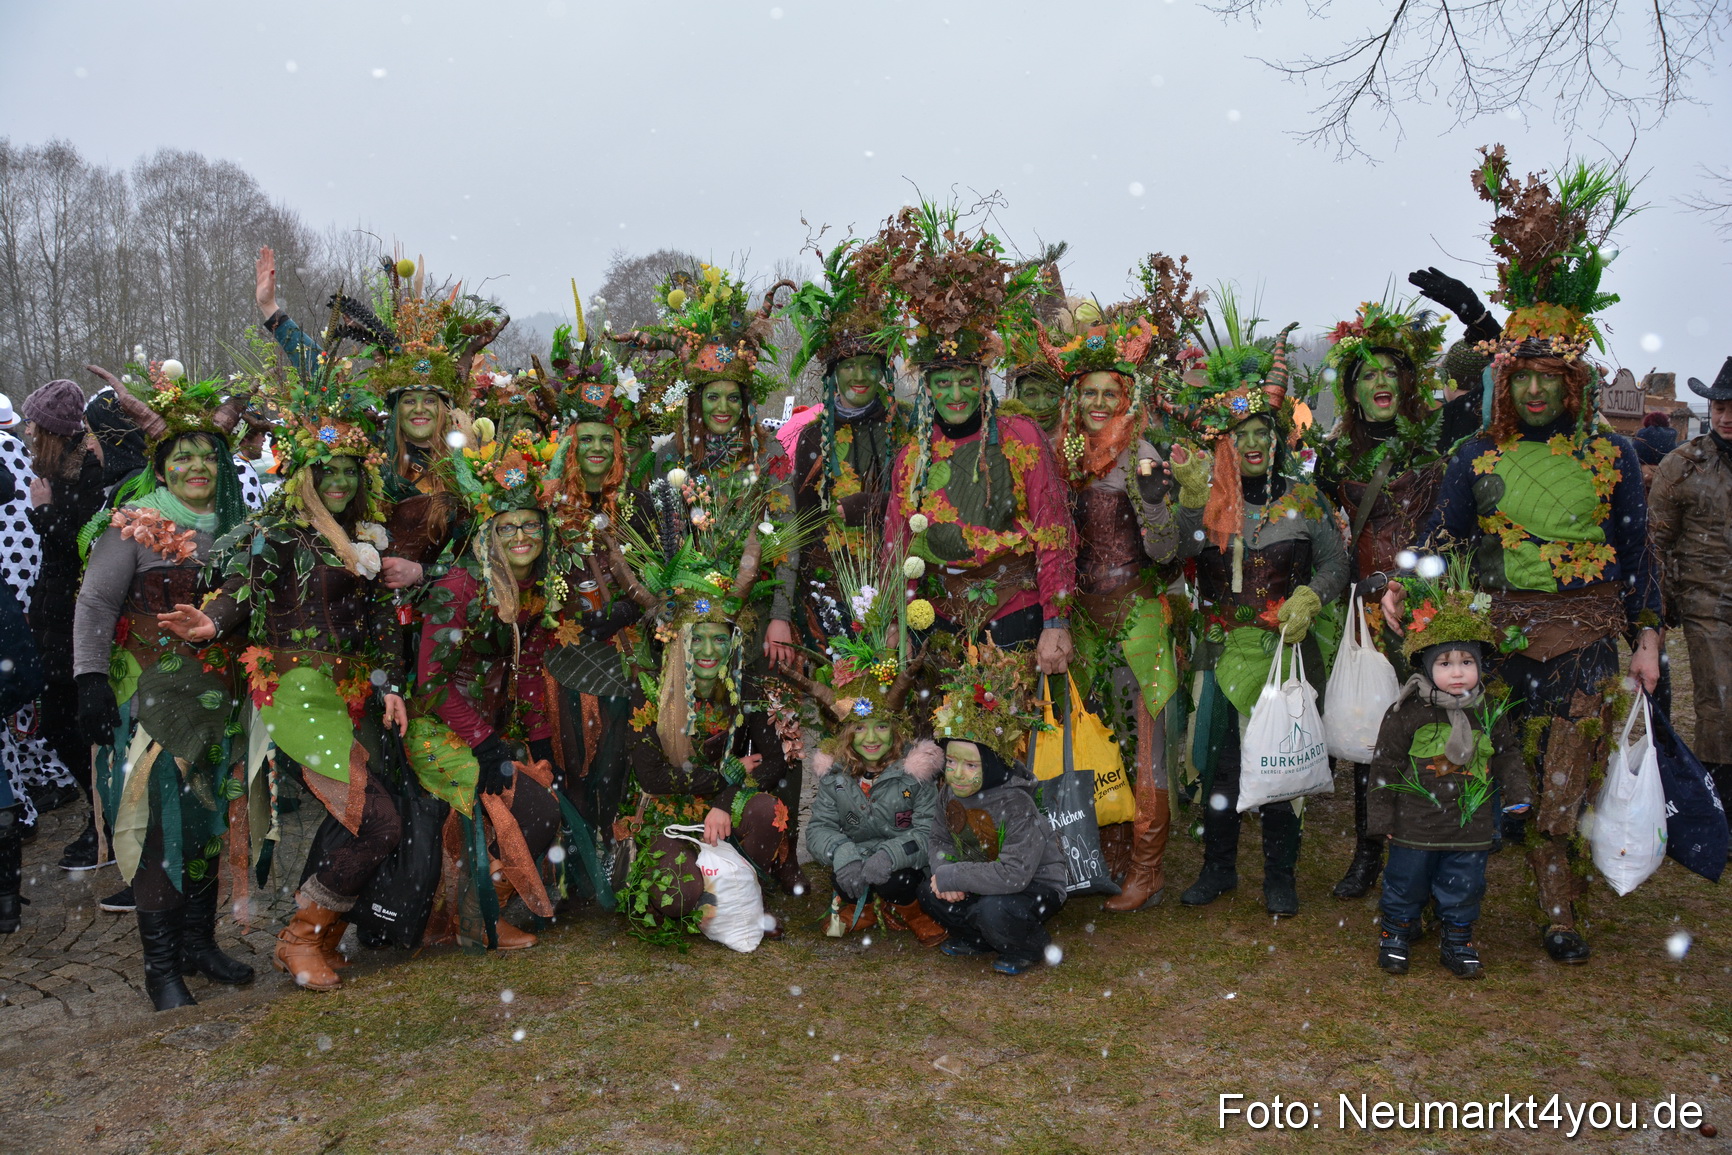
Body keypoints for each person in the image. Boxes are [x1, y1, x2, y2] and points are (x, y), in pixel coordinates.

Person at [1397, 145, 1661, 964]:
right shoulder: (1474, 455)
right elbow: (1438, 539)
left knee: (1564, 780)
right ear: (1504, 382)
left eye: (1550, 377)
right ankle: (1443, 899)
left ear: (1574, 382)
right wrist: (1402, 586)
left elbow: (1637, 554)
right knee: (1463, 766)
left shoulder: (1613, 457)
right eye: (1524, 378)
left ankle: (1558, 906)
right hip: (1493, 637)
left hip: (1586, 636)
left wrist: (1649, 639)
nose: (1536, 391)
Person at [167, 353, 408, 992]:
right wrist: (212, 622)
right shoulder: (274, 534)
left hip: (353, 694)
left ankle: (319, 936)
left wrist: (389, 687)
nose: (339, 482)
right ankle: (300, 935)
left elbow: (380, 622)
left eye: (350, 470)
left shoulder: (365, 536)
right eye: (327, 470)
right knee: (377, 819)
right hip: (296, 695)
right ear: (304, 472)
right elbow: (241, 590)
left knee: (354, 818)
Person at [70, 365, 255, 1009]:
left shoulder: (240, 525)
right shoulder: (133, 523)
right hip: (151, 700)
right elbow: (96, 603)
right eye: (183, 456)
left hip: (221, 697)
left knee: (207, 817)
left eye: (208, 455)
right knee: (158, 823)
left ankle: (199, 945)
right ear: (162, 465)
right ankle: (161, 968)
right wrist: (89, 679)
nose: (197, 467)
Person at [1170, 317, 1348, 917]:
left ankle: (1280, 875)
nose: (1252, 444)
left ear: (1277, 440)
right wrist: (1188, 503)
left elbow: (1336, 563)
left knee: (1282, 764)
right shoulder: (1206, 502)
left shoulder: (1304, 500)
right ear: (1225, 443)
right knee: (1219, 766)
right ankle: (1217, 868)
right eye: (1240, 434)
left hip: (1285, 653)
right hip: (1220, 652)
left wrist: (1310, 598)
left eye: (1261, 433)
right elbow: (1174, 553)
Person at [609, 468, 809, 944]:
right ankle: (702, 892)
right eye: (698, 638)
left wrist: (724, 799)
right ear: (680, 641)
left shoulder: (745, 685)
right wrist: (725, 775)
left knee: (766, 810)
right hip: (667, 813)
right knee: (674, 896)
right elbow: (654, 778)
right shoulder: (648, 689)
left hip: (722, 808)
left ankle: (741, 886)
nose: (708, 651)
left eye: (720, 640)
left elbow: (775, 759)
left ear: (733, 643)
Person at [408, 432, 591, 949]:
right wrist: (485, 742)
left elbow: (526, 668)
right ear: (490, 533)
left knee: (545, 794)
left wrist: (539, 742)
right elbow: (431, 684)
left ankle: (479, 911)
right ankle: (477, 918)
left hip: (486, 728)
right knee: (530, 807)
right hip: (438, 728)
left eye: (530, 525)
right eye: (507, 526)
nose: (520, 536)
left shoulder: (533, 588)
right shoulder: (460, 587)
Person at [875, 203, 1076, 673]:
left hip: (1015, 613)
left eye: (966, 380)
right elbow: (897, 544)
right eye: (943, 382)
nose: (956, 393)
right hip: (939, 620)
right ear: (927, 388)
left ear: (984, 381)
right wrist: (894, 618)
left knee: (1005, 723)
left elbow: (1053, 528)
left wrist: (1056, 620)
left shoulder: (1021, 437)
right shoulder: (914, 457)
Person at [1040, 303, 1183, 911]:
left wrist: (1154, 503)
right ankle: (1105, 855)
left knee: (1147, 746)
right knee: (1095, 739)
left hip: (1137, 617)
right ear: (1074, 397)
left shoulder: (1143, 452)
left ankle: (1148, 868)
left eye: (1110, 393)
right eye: (1090, 392)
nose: (1099, 403)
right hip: (1081, 621)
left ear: (1127, 398)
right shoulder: (1058, 452)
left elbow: (1168, 553)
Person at [1314, 299, 1450, 899]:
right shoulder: (1335, 456)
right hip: (1367, 609)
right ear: (1352, 390)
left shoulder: (1435, 444)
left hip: (1428, 605)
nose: (1380, 382)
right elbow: (1323, 526)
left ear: (1408, 382)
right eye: (1367, 374)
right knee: (1371, 732)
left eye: (1391, 371)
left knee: (1432, 730)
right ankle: (1368, 851)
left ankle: (1426, 850)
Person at [1367, 574, 1532, 979]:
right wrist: (1382, 818)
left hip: (1469, 822)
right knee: (1405, 880)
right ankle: (1396, 933)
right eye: (1445, 663)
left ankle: (1458, 939)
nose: (1457, 673)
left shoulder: (1488, 710)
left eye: (1466, 662)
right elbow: (1385, 765)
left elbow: (1507, 754)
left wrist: (1517, 794)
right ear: (1427, 666)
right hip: (1415, 821)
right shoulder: (1407, 711)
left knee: (1464, 883)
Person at [770, 236, 905, 663]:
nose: (859, 376)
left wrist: (871, 506)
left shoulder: (904, 426)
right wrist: (795, 602)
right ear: (832, 375)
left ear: (883, 372)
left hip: (898, 580)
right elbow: (804, 520)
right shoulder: (814, 436)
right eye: (849, 366)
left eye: (869, 365)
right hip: (831, 587)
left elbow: (926, 502)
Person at [922, 644, 1069, 975]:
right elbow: (939, 839)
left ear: (990, 766)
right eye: (951, 762)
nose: (958, 773)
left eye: (971, 765)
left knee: (995, 910)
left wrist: (954, 876)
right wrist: (944, 872)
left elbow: (1014, 874)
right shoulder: (948, 793)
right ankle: (980, 938)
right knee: (928, 889)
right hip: (980, 876)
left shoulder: (1017, 804)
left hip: (1032, 885)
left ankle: (1029, 945)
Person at [22, 377, 109, 871]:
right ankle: (100, 815)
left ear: (53, 431)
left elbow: (81, 542)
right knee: (59, 722)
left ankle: (106, 821)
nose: (28, 432)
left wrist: (43, 512)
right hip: (54, 613)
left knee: (73, 724)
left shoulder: (87, 470)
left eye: (35, 426)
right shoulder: (59, 467)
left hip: (75, 615)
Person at [1649, 357, 1732, 812]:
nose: (1726, 416)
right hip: (1706, 600)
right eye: (1719, 407)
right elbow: (1656, 541)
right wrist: (1656, 612)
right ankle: (1721, 805)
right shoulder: (1681, 464)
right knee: (1718, 703)